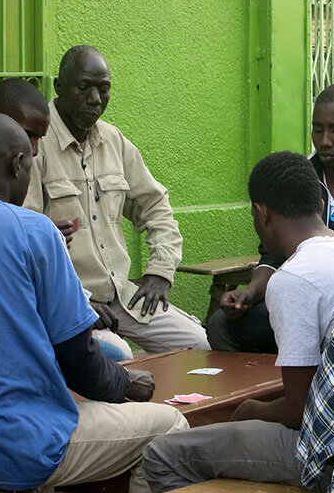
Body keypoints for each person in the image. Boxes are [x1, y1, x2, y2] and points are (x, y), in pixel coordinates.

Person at [0, 113, 188, 493]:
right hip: (15, 447)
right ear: (19, 166)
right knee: (171, 426)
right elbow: (78, 359)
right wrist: (124, 383)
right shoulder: (33, 230)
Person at [141, 151, 334, 493]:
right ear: (320, 204)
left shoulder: (294, 279)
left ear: (261, 214)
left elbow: (297, 412)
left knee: (162, 454)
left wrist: (252, 409)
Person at [24, 46, 209, 353]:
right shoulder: (36, 145)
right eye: (84, 88)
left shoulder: (113, 141)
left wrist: (159, 273)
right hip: (69, 304)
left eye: (104, 89)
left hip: (121, 297)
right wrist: (79, 301)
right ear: (59, 87)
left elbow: (156, 206)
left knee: (199, 344)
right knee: (117, 355)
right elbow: (26, 241)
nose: (95, 99)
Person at [206, 82, 334, 353]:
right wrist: (251, 292)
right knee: (221, 325)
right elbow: (273, 254)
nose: (324, 140)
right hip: (301, 297)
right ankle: (273, 386)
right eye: (317, 130)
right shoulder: (298, 175)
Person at [0, 78, 132, 361]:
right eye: (28, 135)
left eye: (40, 138)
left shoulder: (19, 177)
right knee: (116, 357)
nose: (35, 150)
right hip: (14, 332)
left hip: (69, 306)